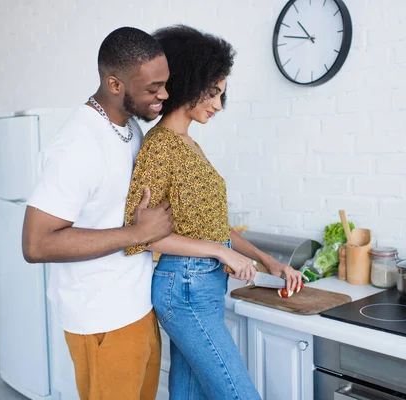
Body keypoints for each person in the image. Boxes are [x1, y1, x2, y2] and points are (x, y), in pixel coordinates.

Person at [122, 25, 306, 400]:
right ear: (188, 82)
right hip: (184, 290)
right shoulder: (160, 147)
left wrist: (270, 263)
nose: (218, 105)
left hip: (201, 287)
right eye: (212, 93)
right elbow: (141, 232)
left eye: (221, 95)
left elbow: (216, 227)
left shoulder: (188, 144)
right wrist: (222, 252)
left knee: (188, 395)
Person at [22, 27, 173, 400]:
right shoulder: (77, 145)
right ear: (114, 83)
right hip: (101, 318)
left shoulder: (130, 128)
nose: (163, 95)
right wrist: (136, 234)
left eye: (165, 84)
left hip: (137, 307)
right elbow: (36, 244)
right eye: (152, 88)